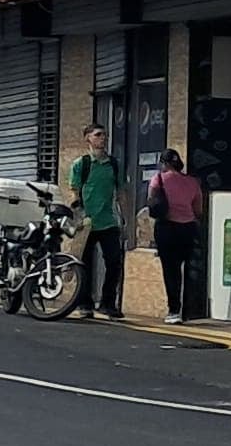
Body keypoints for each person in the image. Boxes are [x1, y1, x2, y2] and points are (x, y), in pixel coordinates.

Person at [65, 123, 129, 320]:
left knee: (114, 262)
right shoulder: (81, 164)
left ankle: (108, 304)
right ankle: (85, 303)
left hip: (108, 221)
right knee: (84, 264)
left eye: (104, 135)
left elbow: (121, 192)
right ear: (88, 138)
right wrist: (78, 215)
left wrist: (125, 219)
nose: (103, 138)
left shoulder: (113, 164)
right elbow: (74, 192)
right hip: (87, 222)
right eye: (98, 135)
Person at [143, 146, 208, 322]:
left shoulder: (158, 179)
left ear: (163, 163)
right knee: (190, 269)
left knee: (171, 270)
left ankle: (174, 311)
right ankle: (191, 310)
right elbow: (198, 210)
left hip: (166, 227)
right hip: (188, 229)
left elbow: (152, 203)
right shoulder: (193, 182)